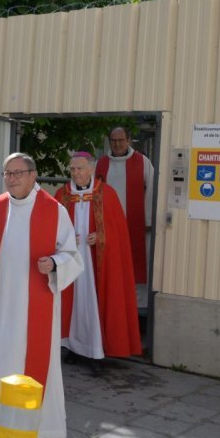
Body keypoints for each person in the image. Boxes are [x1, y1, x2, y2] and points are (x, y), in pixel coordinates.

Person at [0, 153, 82, 438]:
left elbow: (72, 256)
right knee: (0, 357)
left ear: (33, 175)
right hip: (2, 303)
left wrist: (54, 263)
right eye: (7, 173)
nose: (12, 178)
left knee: (35, 357)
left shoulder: (54, 210)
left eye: (18, 173)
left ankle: (41, 428)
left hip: (36, 303)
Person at [56, 152, 142, 369]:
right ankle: (73, 347)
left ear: (92, 169)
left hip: (96, 263)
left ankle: (95, 351)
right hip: (71, 260)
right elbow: (51, 228)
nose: (76, 173)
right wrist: (64, 238)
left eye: (81, 168)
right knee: (72, 304)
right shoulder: (62, 195)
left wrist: (103, 236)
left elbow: (119, 232)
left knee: (92, 303)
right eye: (73, 169)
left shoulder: (107, 194)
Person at [96, 127, 154, 298]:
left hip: (134, 224)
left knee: (134, 264)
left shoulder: (142, 162)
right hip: (108, 224)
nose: (117, 144)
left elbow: (151, 189)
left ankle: (137, 302)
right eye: (114, 140)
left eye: (121, 140)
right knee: (111, 264)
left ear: (129, 140)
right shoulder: (101, 164)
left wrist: (148, 219)